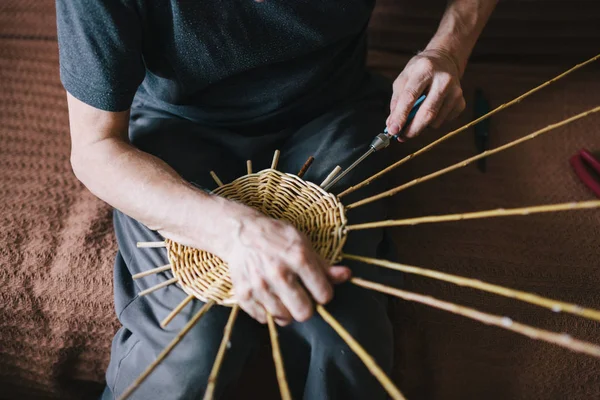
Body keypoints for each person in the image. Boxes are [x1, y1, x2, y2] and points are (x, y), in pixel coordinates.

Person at [56, 1, 497, 399]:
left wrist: (448, 50)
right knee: (191, 346)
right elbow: (96, 149)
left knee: (343, 337)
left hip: (333, 108)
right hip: (178, 124)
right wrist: (235, 231)